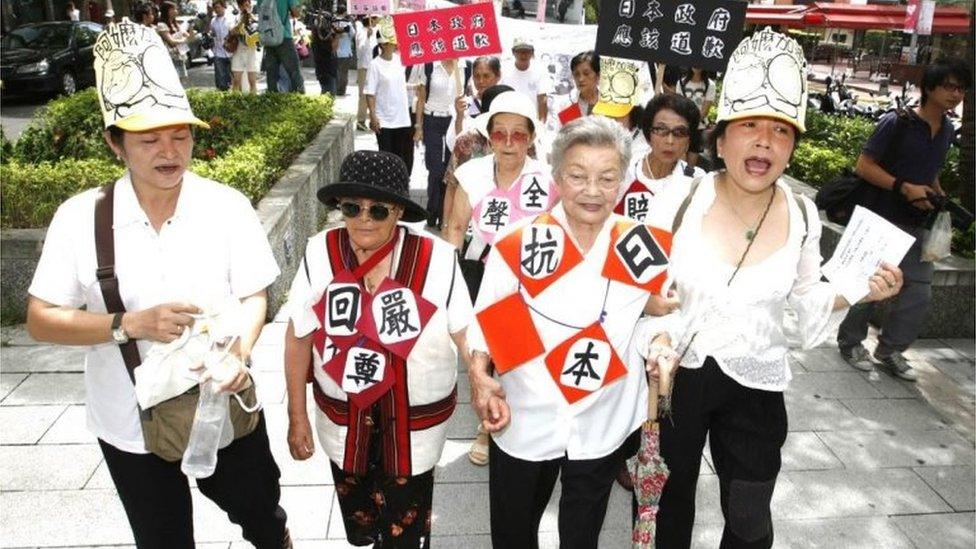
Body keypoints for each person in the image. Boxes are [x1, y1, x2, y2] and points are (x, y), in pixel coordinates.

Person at [25, 21, 290, 549]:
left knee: (263, 518)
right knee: (163, 538)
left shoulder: (225, 206)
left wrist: (240, 351)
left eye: (180, 135)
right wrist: (128, 325)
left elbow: (254, 294)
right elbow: (40, 318)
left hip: (223, 400)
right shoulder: (81, 219)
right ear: (115, 144)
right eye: (149, 140)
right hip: (128, 418)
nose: (169, 151)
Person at [641, 29, 904, 548]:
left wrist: (859, 291)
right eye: (750, 126)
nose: (765, 140)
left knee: (749, 519)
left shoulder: (803, 215)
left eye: (781, 131)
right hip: (679, 383)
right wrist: (659, 337)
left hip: (757, 382)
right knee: (668, 506)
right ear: (720, 140)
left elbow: (805, 303)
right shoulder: (675, 202)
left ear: (790, 149)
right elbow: (648, 296)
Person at [468, 115, 663, 548]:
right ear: (556, 177)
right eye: (578, 176)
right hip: (525, 412)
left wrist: (662, 342)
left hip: (602, 418)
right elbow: (488, 324)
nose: (592, 191)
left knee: (582, 534)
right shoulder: (521, 241)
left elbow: (657, 317)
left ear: (623, 181)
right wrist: (480, 376)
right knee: (514, 531)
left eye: (606, 178)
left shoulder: (640, 245)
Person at [283, 150, 473, 548]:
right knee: (363, 527)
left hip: (411, 426)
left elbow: (465, 331)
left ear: (399, 211)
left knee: (404, 534)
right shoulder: (320, 252)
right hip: (345, 423)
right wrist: (296, 416)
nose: (363, 219)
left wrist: (482, 380)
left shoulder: (435, 257)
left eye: (378, 210)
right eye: (351, 207)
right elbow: (299, 333)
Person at [836, 59, 971, 381]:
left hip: (917, 225)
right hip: (880, 218)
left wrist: (937, 198)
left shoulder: (947, 130)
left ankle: (890, 350)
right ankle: (850, 342)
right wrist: (903, 187)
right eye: (949, 86)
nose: (956, 94)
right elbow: (864, 166)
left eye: (961, 88)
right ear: (930, 88)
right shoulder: (896, 123)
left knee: (919, 293)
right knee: (868, 286)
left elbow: (932, 170)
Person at [616, 93, 704, 222]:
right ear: (648, 133)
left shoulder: (696, 182)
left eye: (680, 132)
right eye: (661, 130)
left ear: (689, 140)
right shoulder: (625, 172)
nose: (670, 141)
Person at [412, 59, 462, 229]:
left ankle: (444, 215)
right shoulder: (429, 65)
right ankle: (432, 211)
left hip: (454, 121)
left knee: (450, 169)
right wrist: (418, 127)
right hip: (432, 120)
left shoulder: (464, 67)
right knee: (435, 168)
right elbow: (421, 98)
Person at [364, 20, 413, 175]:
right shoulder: (375, 65)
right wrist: (373, 116)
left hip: (401, 117)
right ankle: (386, 188)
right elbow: (370, 92)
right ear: (383, 44)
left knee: (400, 156)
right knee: (385, 156)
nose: (395, 44)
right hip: (384, 119)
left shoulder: (401, 61)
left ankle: (398, 188)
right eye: (391, 42)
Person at [500, 37, 553, 124]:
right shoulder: (504, 70)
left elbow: (542, 100)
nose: (523, 55)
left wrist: (541, 125)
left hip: (531, 121)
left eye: (527, 51)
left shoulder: (540, 71)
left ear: (532, 53)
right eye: (520, 51)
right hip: (508, 119)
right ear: (513, 52)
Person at [257, 0, 305, 94]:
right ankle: (300, 99)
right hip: (284, 37)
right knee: (294, 71)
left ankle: (273, 99)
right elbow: (296, 13)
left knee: (271, 74)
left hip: (268, 38)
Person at [676, 67, 716, 167]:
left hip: (698, 128)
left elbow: (705, 111)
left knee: (690, 166)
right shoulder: (681, 83)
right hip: (682, 126)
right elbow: (678, 106)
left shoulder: (710, 85)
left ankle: (689, 180)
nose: (696, 66)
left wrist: (692, 123)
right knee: (681, 162)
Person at [552, 51, 600, 127]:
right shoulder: (565, 105)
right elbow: (559, 134)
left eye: (586, 74)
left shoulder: (610, 102)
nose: (581, 79)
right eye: (576, 74)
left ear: (598, 76)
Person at [157, 1, 192, 82]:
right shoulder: (162, 25)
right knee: (173, 80)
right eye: (174, 9)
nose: (176, 11)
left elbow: (190, 37)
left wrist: (191, 26)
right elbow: (171, 42)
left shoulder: (177, 25)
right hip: (170, 57)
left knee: (182, 80)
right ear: (168, 11)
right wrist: (184, 40)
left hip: (179, 55)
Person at [230, 0, 261, 93]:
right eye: (243, 5)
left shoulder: (256, 18)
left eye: (247, 5)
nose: (246, 7)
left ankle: (253, 101)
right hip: (238, 50)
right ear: (239, 6)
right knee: (236, 80)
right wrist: (241, 21)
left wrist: (251, 18)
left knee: (252, 81)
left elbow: (259, 33)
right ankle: (235, 100)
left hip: (252, 50)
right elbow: (232, 31)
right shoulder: (236, 18)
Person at [354, 15, 378, 131]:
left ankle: (371, 120)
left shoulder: (374, 31)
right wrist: (368, 37)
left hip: (373, 67)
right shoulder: (361, 32)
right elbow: (361, 50)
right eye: (376, 19)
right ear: (371, 20)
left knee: (373, 94)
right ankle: (361, 120)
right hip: (364, 67)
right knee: (364, 95)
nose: (378, 21)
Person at [309, 6, 338, 96]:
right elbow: (333, 49)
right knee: (330, 93)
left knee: (324, 91)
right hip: (329, 69)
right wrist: (336, 37)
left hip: (320, 69)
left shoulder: (315, 37)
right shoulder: (326, 37)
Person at [209, 0, 236, 91]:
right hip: (218, 52)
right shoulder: (213, 21)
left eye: (219, 7)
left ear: (224, 7)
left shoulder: (231, 18)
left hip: (231, 52)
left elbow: (234, 31)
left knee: (235, 76)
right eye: (215, 8)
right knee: (221, 79)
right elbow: (212, 33)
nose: (217, 10)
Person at [333, 7, 355, 96]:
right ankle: (341, 91)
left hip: (334, 51)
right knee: (344, 73)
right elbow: (353, 34)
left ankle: (334, 88)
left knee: (335, 71)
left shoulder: (332, 22)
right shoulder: (348, 23)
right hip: (346, 52)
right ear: (345, 12)